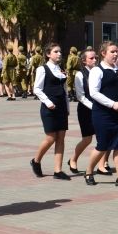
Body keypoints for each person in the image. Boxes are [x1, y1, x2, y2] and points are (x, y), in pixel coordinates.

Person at [84, 42, 118, 186]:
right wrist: (112, 104)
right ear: (103, 53)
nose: (116, 55)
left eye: (117, 52)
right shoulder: (98, 70)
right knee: (102, 145)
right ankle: (89, 171)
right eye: (112, 52)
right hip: (103, 114)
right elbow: (94, 93)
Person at [29, 44, 70, 179]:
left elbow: (65, 90)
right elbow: (37, 89)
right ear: (48, 54)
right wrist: (48, 102)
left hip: (62, 107)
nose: (59, 54)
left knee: (61, 138)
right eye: (56, 51)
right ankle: (36, 161)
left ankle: (58, 170)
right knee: (51, 137)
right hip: (49, 106)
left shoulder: (61, 69)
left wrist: (67, 107)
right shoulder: (43, 69)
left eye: (60, 51)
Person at [68, 48, 97, 173]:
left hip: (98, 109)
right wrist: (94, 107)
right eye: (91, 58)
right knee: (87, 139)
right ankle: (73, 159)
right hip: (86, 110)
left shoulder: (97, 72)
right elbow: (81, 97)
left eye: (95, 57)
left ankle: (102, 164)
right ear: (84, 61)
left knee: (102, 137)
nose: (95, 60)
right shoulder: (80, 74)